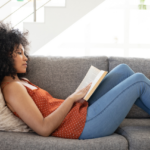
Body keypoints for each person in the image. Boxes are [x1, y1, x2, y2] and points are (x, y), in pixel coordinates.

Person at [0, 22, 150, 140]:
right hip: (82, 125)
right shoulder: (12, 88)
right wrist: (71, 99)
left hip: (78, 114)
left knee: (123, 70)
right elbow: (43, 128)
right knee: (139, 81)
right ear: (5, 56)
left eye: (24, 52)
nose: (26, 58)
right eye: (19, 53)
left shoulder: (22, 82)